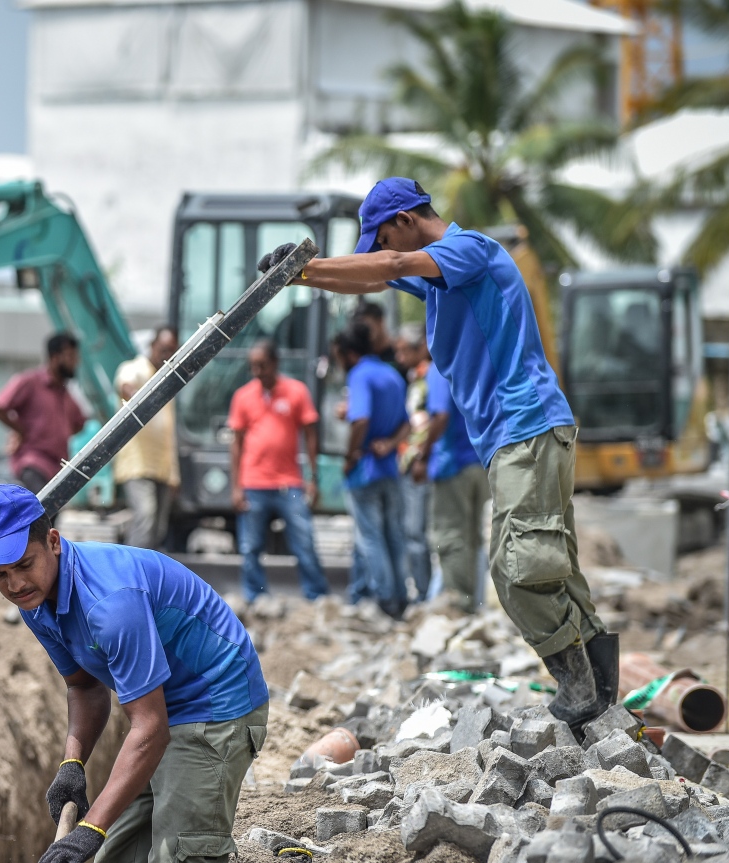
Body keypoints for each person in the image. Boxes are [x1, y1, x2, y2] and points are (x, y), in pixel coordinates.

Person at [257, 177, 617, 728]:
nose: (379, 252)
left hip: (527, 424)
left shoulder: (470, 250)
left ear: (403, 220)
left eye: (379, 239)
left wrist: (303, 271)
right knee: (551, 565)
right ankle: (597, 687)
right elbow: (375, 283)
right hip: (516, 433)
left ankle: (578, 684)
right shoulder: (443, 281)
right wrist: (303, 278)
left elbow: (388, 269)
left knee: (518, 570)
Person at [0, 483, 268, 863]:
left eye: (23, 565)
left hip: (214, 703)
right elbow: (85, 686)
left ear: (53, 541)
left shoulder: (109, 604)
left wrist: (88, 830)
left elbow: (150, 729)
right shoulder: (35, 598)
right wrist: (73, 764)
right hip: (161, 706)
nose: (14, 584)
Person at [227, 342, 330, 601]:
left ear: (275, 363)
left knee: (304, 542)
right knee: (250, 546)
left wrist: (313, 479)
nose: (256, 371)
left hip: (290, 484)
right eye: (253, 366)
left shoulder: (296, 392)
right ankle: (255, 596)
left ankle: (316, 596)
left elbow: (310, 436)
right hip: (253, 483)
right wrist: (236, 486)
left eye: (261, 365)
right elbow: (236, 444)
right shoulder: (243, 396)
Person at [333, 321, 410, 619]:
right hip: (390, 468)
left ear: (350, 354)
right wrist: (391, 444)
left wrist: (351, 455)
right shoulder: (392, 374)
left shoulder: (359, 376)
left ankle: (385, 599)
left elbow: (361, 419)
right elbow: (406, 422)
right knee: (393, 535)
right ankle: (401, 597)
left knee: (370, 536)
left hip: (364, 469)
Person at [415, 363, 488, 612]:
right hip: (481, 460)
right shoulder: (475, 363)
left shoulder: (441, 368)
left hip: (453, 465)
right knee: (473, 537)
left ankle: (458, 606)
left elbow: (441, 415)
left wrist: (423, 456)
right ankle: (475, 602)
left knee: (451, 537)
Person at [0, 333, 87, 494]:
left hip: (57, 467)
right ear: (55, 357)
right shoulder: (30, 382)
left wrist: (59, 433)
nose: (75, 362)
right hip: (33, 462)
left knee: (50, 516)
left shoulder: (65, 393)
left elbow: (80, 422)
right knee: (41, 511)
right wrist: (21, 430)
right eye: (70, 356)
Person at [114, 328, 181, 549]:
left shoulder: (167, 379)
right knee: (145, 516)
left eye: (171, 352)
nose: (166, 355)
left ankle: (145, 576)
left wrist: (173, 474)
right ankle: (130, 574)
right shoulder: (136, 368)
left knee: (158, 528)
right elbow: (125, 385)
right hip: (138, 463)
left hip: (161, 467)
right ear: (152, 346)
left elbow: (168, 434)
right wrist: (136, 398)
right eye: (163, 350)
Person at [395, 331, 433, 601]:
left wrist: (422, 458)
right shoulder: (415, 379)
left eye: (404, 351)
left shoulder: (431, 377)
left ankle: (425, 593)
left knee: (417, 533)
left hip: (422, 464)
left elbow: (434, 422)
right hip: (412, 462)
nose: (399, 357)